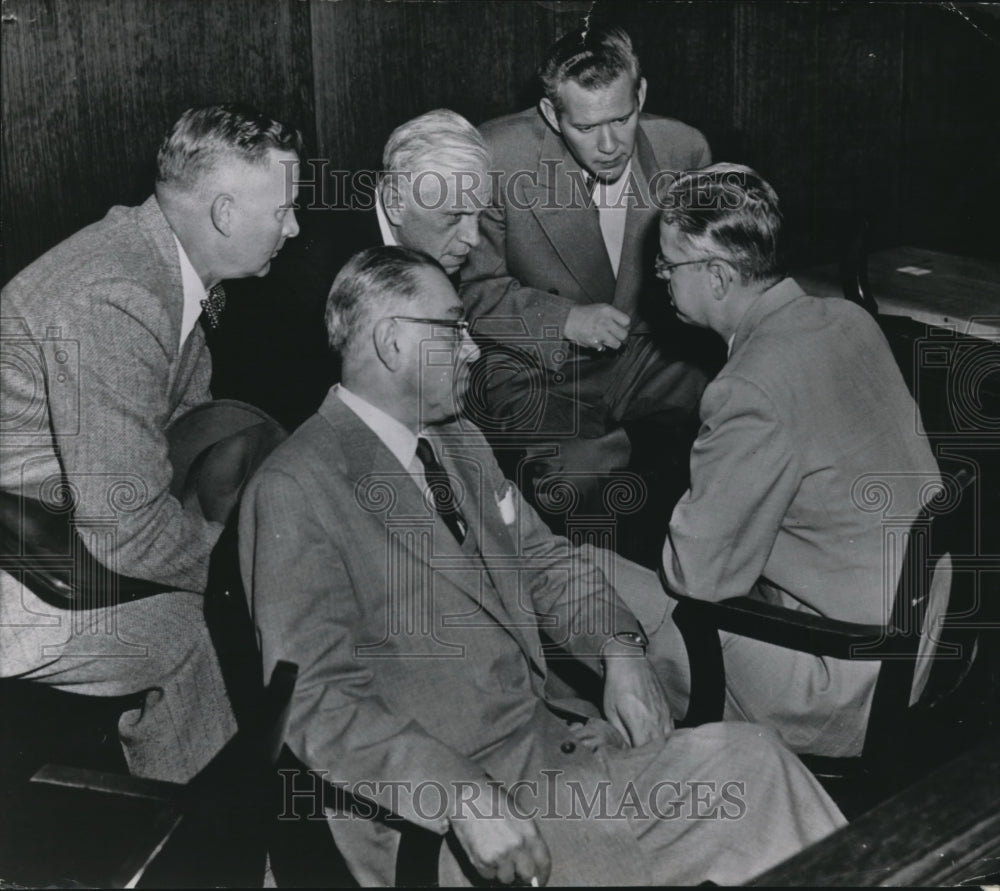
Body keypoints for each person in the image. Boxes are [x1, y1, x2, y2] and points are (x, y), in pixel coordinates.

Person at [239, 245, 845, 886]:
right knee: (751, 785)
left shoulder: (456, 441)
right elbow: (315, 702)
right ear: (391, 342)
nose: (473, 348)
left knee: (756, 760)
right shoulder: (295, 487)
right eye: (454, 327)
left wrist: (622, 649)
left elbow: (546, 561)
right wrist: (457, 794)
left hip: (550, 755)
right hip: (452, 827)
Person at [0, 104, 302, 782]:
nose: (294, 226)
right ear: (223, 212)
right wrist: (253, 572)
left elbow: (182, 429)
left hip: (46, 532)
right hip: (15, 566)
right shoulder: (117, 293)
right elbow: (125, 527)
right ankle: (203, 850)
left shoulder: (153, 259)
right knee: (192, 635)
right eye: (283, 209)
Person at [645, 163, 948, 757]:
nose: (659, 279)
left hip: (846, 678)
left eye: (666, 266)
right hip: (925, 640)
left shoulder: (748, 388)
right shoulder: (850, 318)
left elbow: (695, 577)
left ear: (717, 275)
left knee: (592, 588)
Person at [460, 24, 720, 525]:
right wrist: (563, 319)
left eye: (623, 118)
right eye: (585, 128)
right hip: (538, 366)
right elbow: (470, 291)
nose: (609, 145)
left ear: (641, 94)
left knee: (742, 422)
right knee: (569, 481)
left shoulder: (684, 150)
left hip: (649, 357)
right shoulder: (494, 159)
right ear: (550, 116)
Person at [213, 108, 490, 430]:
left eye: (479, 215)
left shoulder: (434, 244)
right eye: (454, 216)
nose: (473, 238)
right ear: (396, 202)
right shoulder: (310, 277)